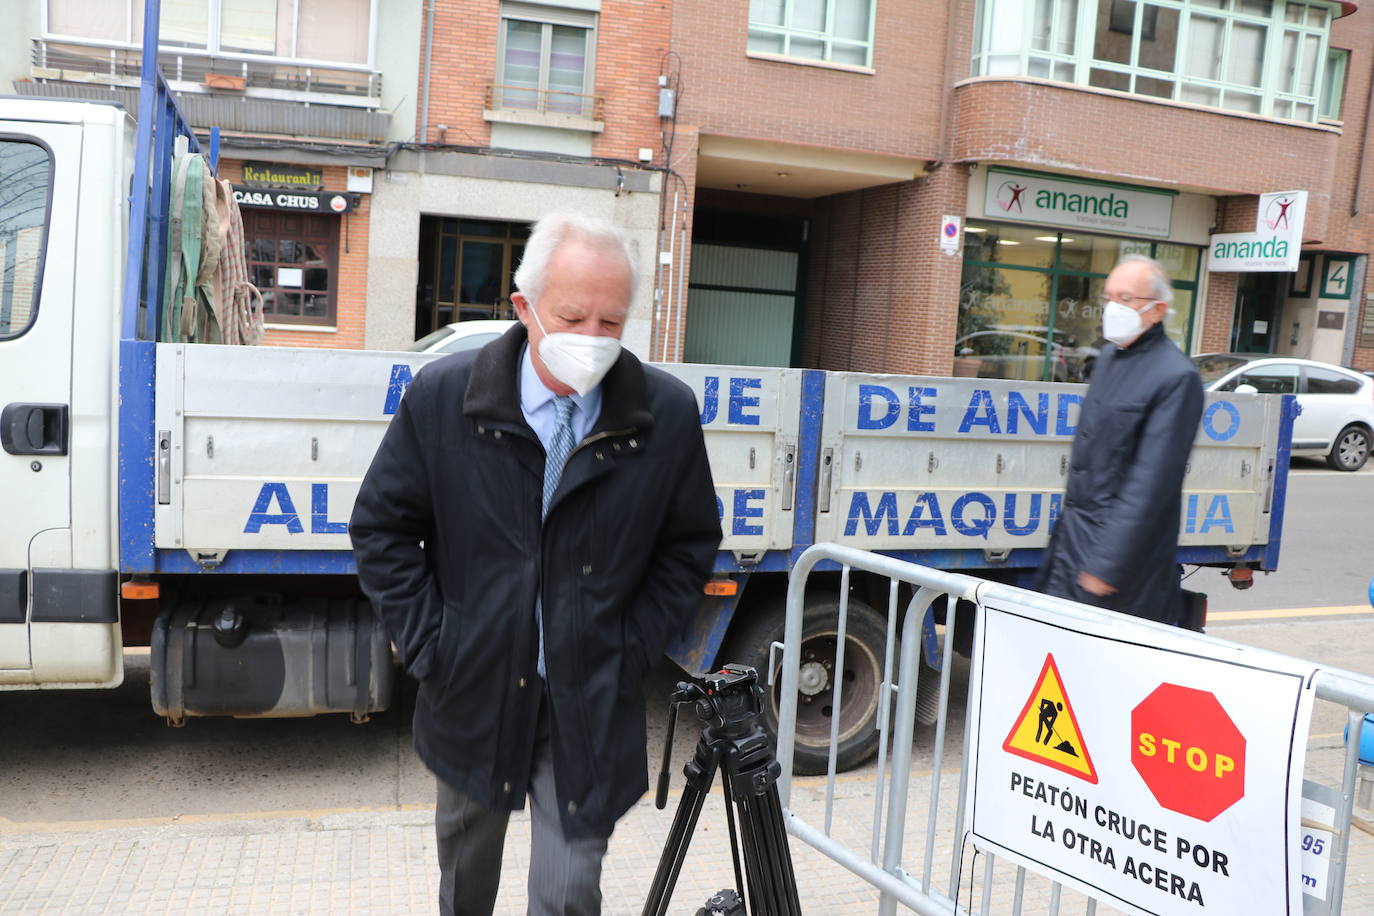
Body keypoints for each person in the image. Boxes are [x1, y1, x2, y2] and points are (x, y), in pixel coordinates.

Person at [349, 211, 722, 915]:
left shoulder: (664, 415)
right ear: (523, 307)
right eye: (572, 316)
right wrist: (435, 645)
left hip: (589, 698)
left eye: (611, 323)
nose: (591, 340)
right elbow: (382, 528)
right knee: (466, 879)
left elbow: (689, 544)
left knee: (569, 888)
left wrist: (632, 645)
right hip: (474, 686)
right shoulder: (445, 400)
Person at [1036, 255, 1203, 627]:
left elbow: (1151, 484)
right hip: (1071, 547)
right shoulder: (1111, 356)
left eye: (1125, 298)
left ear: (1157, 310)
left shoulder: (1176, 377)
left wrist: (1105, 567)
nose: (1112, 307)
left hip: (1121, 572)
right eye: (1108, 297)